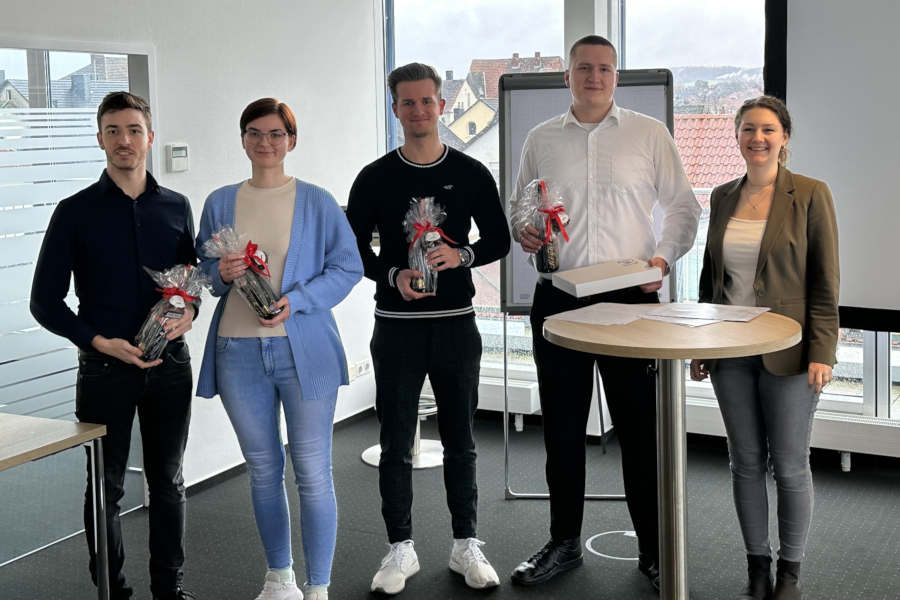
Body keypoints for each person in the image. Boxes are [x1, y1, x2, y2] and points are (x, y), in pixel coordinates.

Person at [509, 35, 700, 593]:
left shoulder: (649, 133)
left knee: (641, 433)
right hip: (559, 299)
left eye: (605, 69)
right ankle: (563, 542)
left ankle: (654, 549)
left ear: (617, 77)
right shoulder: (540, 139)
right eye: (583, 68)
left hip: (631, 299)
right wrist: (525, 229)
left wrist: (662, 260)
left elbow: (684, 207)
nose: (594, 77)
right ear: (566, 75)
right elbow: (521, 202)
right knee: (561, 431)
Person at [345, 62, 511, 596]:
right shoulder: (374, 177)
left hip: (456, 325)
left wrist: (460, 254)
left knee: (462, 440)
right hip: (395, 327)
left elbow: (500, 241)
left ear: (443, 105)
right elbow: (352, 251)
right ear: (395, 109)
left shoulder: (470, 171)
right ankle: (400, 549)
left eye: (427, 101)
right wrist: (393, 273)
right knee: (396, 443)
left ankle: (466, 545)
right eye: (407, 103)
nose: (419, 111)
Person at [30, 92, 198, 600]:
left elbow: (189, 285)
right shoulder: (74, 211)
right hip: (105, 371)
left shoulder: (176, 206)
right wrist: (99, 341)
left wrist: (188, 314)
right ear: (100, 138)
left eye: (133, 129)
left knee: (168, 482)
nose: (124, 140)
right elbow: (45, 302)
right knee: (107, 489)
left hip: (170, 367)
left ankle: (169, 590)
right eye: (112, 131)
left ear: (150, 135)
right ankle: (114, 592)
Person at [194, 98, 363, 600]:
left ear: (292, 140)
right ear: (242, 139)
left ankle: (319, 587)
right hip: (237, 353)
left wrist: (300, 300)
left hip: (303, 352)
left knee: (312, 472)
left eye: (275, 133)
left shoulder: (317, 201)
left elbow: (347, 268)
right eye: (254, 132)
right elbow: (205, 274)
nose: (265, 142)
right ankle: (279, 577)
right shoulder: (220, 202)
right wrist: (217, 275)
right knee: (264, 470)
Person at [690, 95, 839, 600]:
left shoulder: (811, 194)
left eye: (768, 129)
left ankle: (790, 573)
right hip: (730, 348)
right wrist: (703, 342)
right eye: (749, 129)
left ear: (784, 138)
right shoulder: (722, 195)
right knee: (745, 462)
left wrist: (823, 350)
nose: (758, 138)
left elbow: (824, 282)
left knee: (791, 464)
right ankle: (758, 564)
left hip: (790, 349)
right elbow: (712, 278)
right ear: (737, 136)